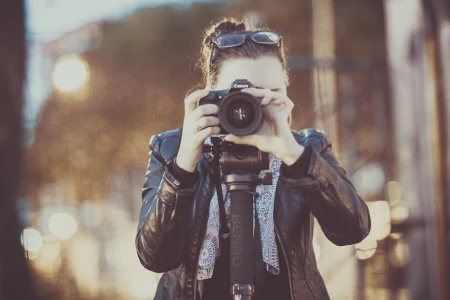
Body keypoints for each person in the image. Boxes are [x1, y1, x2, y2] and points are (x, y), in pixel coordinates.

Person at [135, 18, 371, 300]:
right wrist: (183, 166)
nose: (252, 109)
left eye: (270, 95)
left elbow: (353, 230)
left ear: (286, 95)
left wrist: (293, 155)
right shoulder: (171, 149)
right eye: (241, 94)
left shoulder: (307, 148)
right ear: (210, 94)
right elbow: (154, 257)